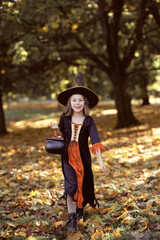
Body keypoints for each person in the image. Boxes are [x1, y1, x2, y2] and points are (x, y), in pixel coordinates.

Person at [50, 72, 108, 232]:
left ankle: (79, 209)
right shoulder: (65, 118)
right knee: (71, 186)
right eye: (74, 100)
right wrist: (56, 130)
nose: (77, 103)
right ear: (70, 102)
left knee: (82, 185)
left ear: (85, 102)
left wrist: (101, 162)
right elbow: (60, 137)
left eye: (80, 100)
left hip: (82, 158)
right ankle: (72, 218)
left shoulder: (89, 121)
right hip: (68, 157)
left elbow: (95, 142)